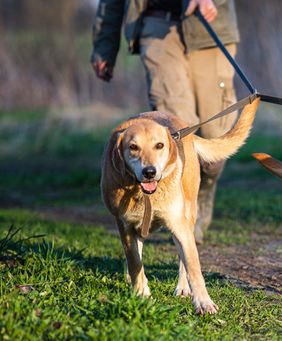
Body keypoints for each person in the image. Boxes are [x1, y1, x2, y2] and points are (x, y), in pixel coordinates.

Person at [91, 0, 241, 244]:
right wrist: (104, 45)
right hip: (156, 24)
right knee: (180, 133)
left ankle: (204, 187)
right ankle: (181, 206)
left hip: (210, 26)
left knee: (215, 140)